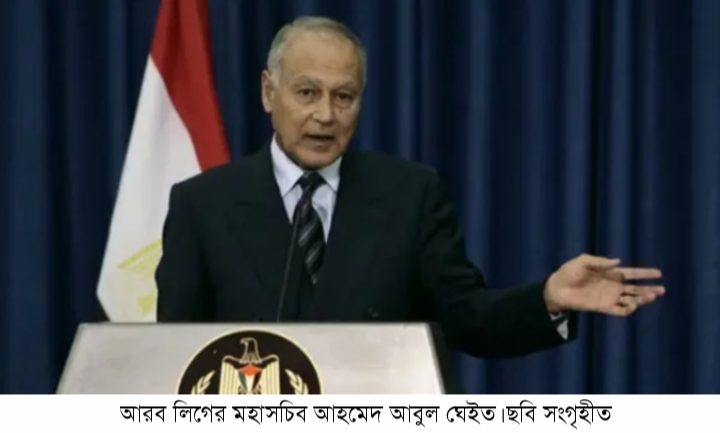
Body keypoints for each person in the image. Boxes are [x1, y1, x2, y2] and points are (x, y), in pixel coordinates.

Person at [155, 16, 664, 358]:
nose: (326, 115)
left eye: (344, 97)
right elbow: (174, 358)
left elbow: (468, 319)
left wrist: (549, 298)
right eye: (307, 93)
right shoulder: (202, 204)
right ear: (269, 92)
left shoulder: (409, 195)